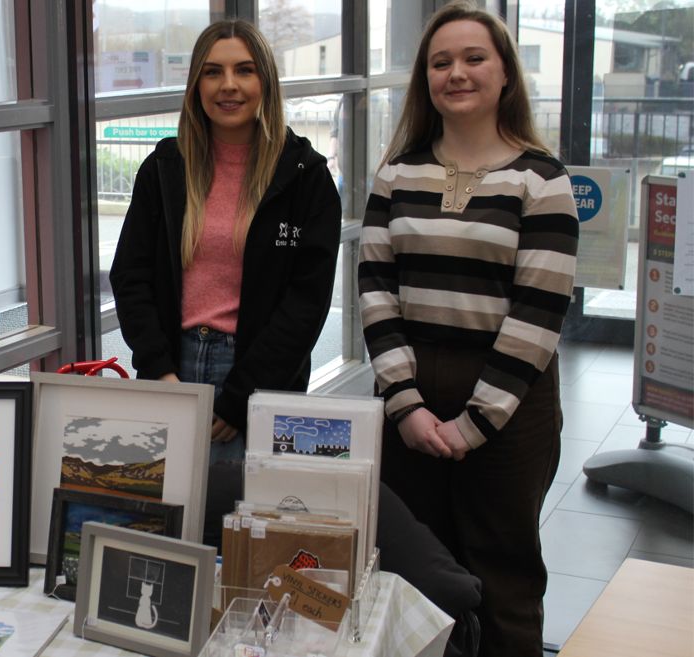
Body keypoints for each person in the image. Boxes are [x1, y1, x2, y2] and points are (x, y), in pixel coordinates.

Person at [358, 3, 579, 655]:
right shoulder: (396, 173)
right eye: (440, 61)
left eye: (473, 58)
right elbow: (375, 289)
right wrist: (404, 404)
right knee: (415, 570)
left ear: (506, 72)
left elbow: (538, 315)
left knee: (504, 572)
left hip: (511, 400)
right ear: (425, 79)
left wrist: (474, 421)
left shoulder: (542, 179)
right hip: (411, 392)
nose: (457, 72)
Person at [110, 19, 341, 546]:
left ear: (266, 83)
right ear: (196, 85)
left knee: (244, 539)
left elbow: (307, 302)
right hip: (175, 370)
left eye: (244, 70)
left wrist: (241, 397)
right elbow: (131, 275)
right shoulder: (165, 169)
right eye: (212, 72)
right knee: (168, 530)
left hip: (258, 375)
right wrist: (159, 369)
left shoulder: (305, 176)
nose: (228, 85)